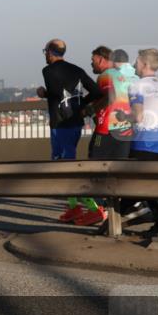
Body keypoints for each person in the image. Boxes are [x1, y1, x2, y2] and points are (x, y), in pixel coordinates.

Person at [36, 39, 104, 224]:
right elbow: (97, 92)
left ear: (50, 52)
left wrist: (44, 94)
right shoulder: (78, 70)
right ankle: (73, 208)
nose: (45, 55)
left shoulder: (48, 71)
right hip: (74, 122)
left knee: (66, 167)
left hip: (60, 123)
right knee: (62, 164)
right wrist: (81, 104)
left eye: (45, 51)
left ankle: (94, 209)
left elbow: (57, 92)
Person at [120, 48, 158, 238]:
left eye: (136, 62)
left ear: (144, 64)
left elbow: (137, 116)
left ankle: (114, 217)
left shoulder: (136, 86)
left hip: (143, 142)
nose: (134, 65)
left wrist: (123, 116)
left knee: (127, 184)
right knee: (148, 185)